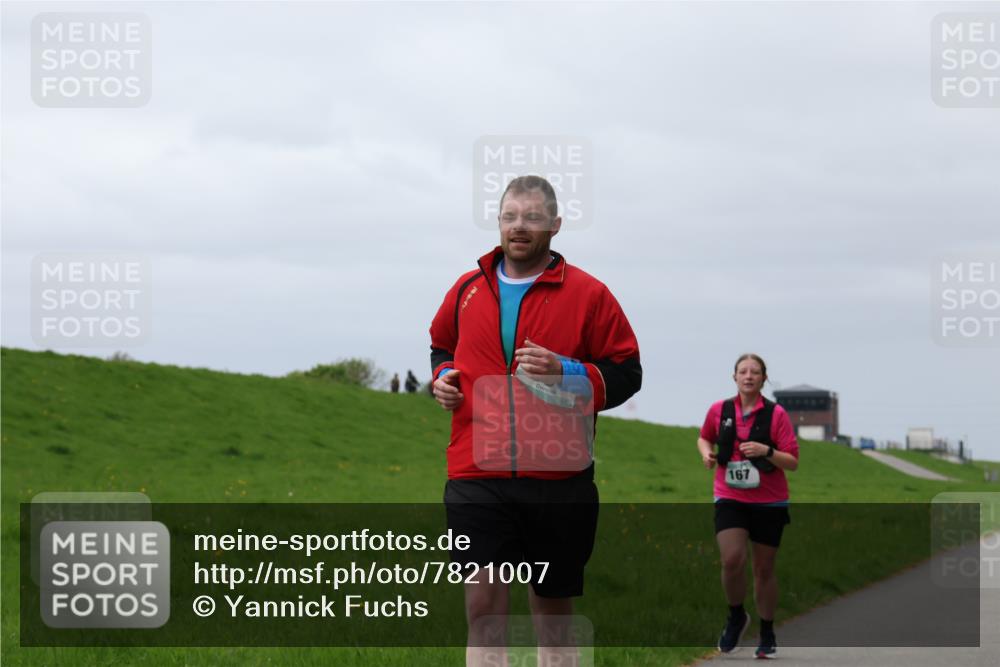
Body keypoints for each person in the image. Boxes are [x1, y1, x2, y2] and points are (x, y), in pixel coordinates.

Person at [429, 175, 641, 666]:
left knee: (551, 611)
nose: (518, 227)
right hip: (475, 474)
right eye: (509, 216)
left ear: (556, 225)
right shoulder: (465, 289)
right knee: (482, 604)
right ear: (498, 222)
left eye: (531, 217)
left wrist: (567, 371)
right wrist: (443, 378)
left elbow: (627, 373)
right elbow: (441, 345)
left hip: (559, 478)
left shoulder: (590, 294)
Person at [696, 353, 799, 659]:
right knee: (731, 559)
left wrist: (766, 451)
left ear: (764, 379)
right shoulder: (720, 410)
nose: (749, 376)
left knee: (763, 568)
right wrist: (706, 453)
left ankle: (767, 631)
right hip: (730, 496)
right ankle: (736, 615)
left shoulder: (776, 414)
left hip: (770, 501)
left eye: (755, 372)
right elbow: (704, 438)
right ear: (735, 377)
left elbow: (792, 461)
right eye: (743, 371)